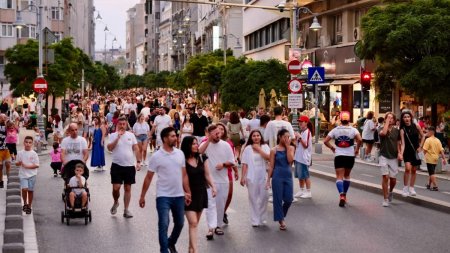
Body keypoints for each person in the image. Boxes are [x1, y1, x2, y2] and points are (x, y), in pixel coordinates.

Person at [139, 127, 192, 253]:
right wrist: (142, 196)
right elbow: (148, 178)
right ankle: (164, 250)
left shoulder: (180, 153)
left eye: (176, 135)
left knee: (180, 223)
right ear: (165, 138)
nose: (176, 138)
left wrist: (188, 192)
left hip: (179, 195)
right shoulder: (157, 156)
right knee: (163, 224)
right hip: (163, 196)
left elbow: (184, 175)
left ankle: (171, 242)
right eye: (173, 136)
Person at [181, 136, 216, 250]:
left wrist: (213, 187)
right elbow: (179, 178)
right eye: (194, 144)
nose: (197, 145)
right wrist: (184, 192)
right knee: (194, 222)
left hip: (201, 193)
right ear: (187, 146)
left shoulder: (201, 157)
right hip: (188, 194)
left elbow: (207, 174)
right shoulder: (182, 160)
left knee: (194, 225)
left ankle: (191, 249)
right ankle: (195, 250)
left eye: (197, 143)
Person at [199, 125, 235, 237]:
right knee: (210, 204)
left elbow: (232, 161)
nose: (218, 135)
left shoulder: (226, 145)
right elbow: (199, 152)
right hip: (209, 181)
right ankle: (211, 228)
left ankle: (218, 225)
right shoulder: (205, 144)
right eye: (215, 133)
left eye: (219, 133)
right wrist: (208, 140)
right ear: (209, 134)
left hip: (223, 180)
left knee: (220, 205)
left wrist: (223, 164)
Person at [323, 111, 362, 207]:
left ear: (340, 120)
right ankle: (345, 194)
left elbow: (325, 141)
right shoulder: (353, 130)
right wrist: (356, 149)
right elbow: (360, 140)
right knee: (347, 176)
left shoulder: (336, 130)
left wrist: (332, 148)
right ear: (349, 120)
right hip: (350, 155)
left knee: (339, 176)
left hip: (339, 155)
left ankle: (341, 195)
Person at [107, 117, 142, 218]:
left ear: (126, 125)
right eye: (120, 124)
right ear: (117, 125)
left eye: (124, 124)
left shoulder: (131, 135)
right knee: (116, 188)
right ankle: (116, 201)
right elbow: (109, 148)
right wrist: (117, 138)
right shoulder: (113, 135)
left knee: (127, 188)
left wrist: (138, 161)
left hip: (129, 166)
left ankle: (126, 210)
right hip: (116, 165)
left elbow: (136, 148)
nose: (122, 126)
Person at [266, 129, 294, 230]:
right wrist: (268, 180)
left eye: (288, 137)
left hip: (287, 176)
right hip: (277, 176)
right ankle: (281, 220)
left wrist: (287, 147)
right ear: (279, 137)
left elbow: (290, 160)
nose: (287, 139)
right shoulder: (274, 150)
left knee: (289, 199)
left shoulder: (291, 148)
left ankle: (280, 213)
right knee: (277, 199)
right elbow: (271, 166)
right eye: (285, 137)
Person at [240, 130, 270, 227]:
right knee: (253, 198)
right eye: (254, 136)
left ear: (261, 137)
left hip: (263, 175)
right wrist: (242, 177)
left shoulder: (265, 147)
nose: (256, 137)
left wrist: (259, 149)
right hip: (251, 176)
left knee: (265, 197)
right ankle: (255, 220)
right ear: (251, 138)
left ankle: (262, 217)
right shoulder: (247, 148)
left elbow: (269, 158)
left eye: (258, 135)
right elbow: (244, 163)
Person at [399, 111, 425, 197]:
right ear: (402, 119)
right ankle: (405, 188)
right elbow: (403, 143)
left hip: (416, 151)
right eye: (405, 117)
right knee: (407, 168)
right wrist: (401, 154)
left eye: (408, 117)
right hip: (407, 151)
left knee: (414, 170)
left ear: (411, 118)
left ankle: (412, 188)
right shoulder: (402, 130)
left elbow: (423, 136)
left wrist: (420, 147)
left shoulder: (416, 126)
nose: (406, 118)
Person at [378, 112, 401, 207]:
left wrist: (399, 153)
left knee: (393, 180)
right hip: (383, 155)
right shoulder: (381, 128)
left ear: (394, 120)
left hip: (393, 156)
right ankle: (385, 198)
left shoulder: (397, 131)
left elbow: (398, 142)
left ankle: (390, 191)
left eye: (391, 118)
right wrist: (386, 122)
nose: (390, 119)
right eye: (388, 118)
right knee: (385, 177)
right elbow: (383, 133)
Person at [16, 136, 39, 214]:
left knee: (30, 191)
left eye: (29, 142)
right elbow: (17, 163)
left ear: (32, 144)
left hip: (32, 175)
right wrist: (19, 163)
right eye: (26, 142)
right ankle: (25, 203)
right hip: (23, 175)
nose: (28, 144)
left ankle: (29, 206)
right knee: (24, 189)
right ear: (24, 143)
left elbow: (37, 165)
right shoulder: (20, 153)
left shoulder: (34, 154)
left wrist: (27, 166)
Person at [293, 115, 313, 199]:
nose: (300, 123)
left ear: (306, 123)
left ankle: (308, 191)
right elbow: (298, 145)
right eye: (299, 122)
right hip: (298, 156)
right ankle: (301, 190)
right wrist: (294, 140)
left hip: (304, 158)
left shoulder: (307, 132)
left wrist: (299, 137)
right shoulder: (302, 132)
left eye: (301, 122)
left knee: (305, 175)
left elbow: (305, 145)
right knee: (300, 175)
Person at [423, 126, 446, 191]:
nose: (426, 133)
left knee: (431, 173)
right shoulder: (437, 140)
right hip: (436, 158)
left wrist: (420, 157)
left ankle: (435, 186)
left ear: (431, 132)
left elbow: (424, 150)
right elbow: (441, 150)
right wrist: (444, 159)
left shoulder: (428, 140)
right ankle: (429, 185)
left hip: (429, 158)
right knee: (431, 171)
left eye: (427, 131)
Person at [0, 114, 12, 188]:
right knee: (0, 166)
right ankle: (0, 181)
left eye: (5, 117)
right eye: (2, 117)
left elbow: (16, 130)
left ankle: (9, 180)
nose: (4, 118)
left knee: (8, 164)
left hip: (7, 148)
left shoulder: (8, 125)